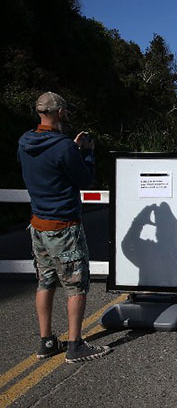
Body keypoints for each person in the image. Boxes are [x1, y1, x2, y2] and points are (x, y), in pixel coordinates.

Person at [17, 91, 112, 363]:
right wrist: (86, 153)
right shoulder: (64, 147)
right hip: (64, 227)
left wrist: (69, 147)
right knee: (76, 286)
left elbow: (47, 166)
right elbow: (84, 179)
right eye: (66, 111)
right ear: (60, 112)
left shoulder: (25, 141)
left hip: (38, 226)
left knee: (45, 282)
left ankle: (46, 341)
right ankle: (75, 345)